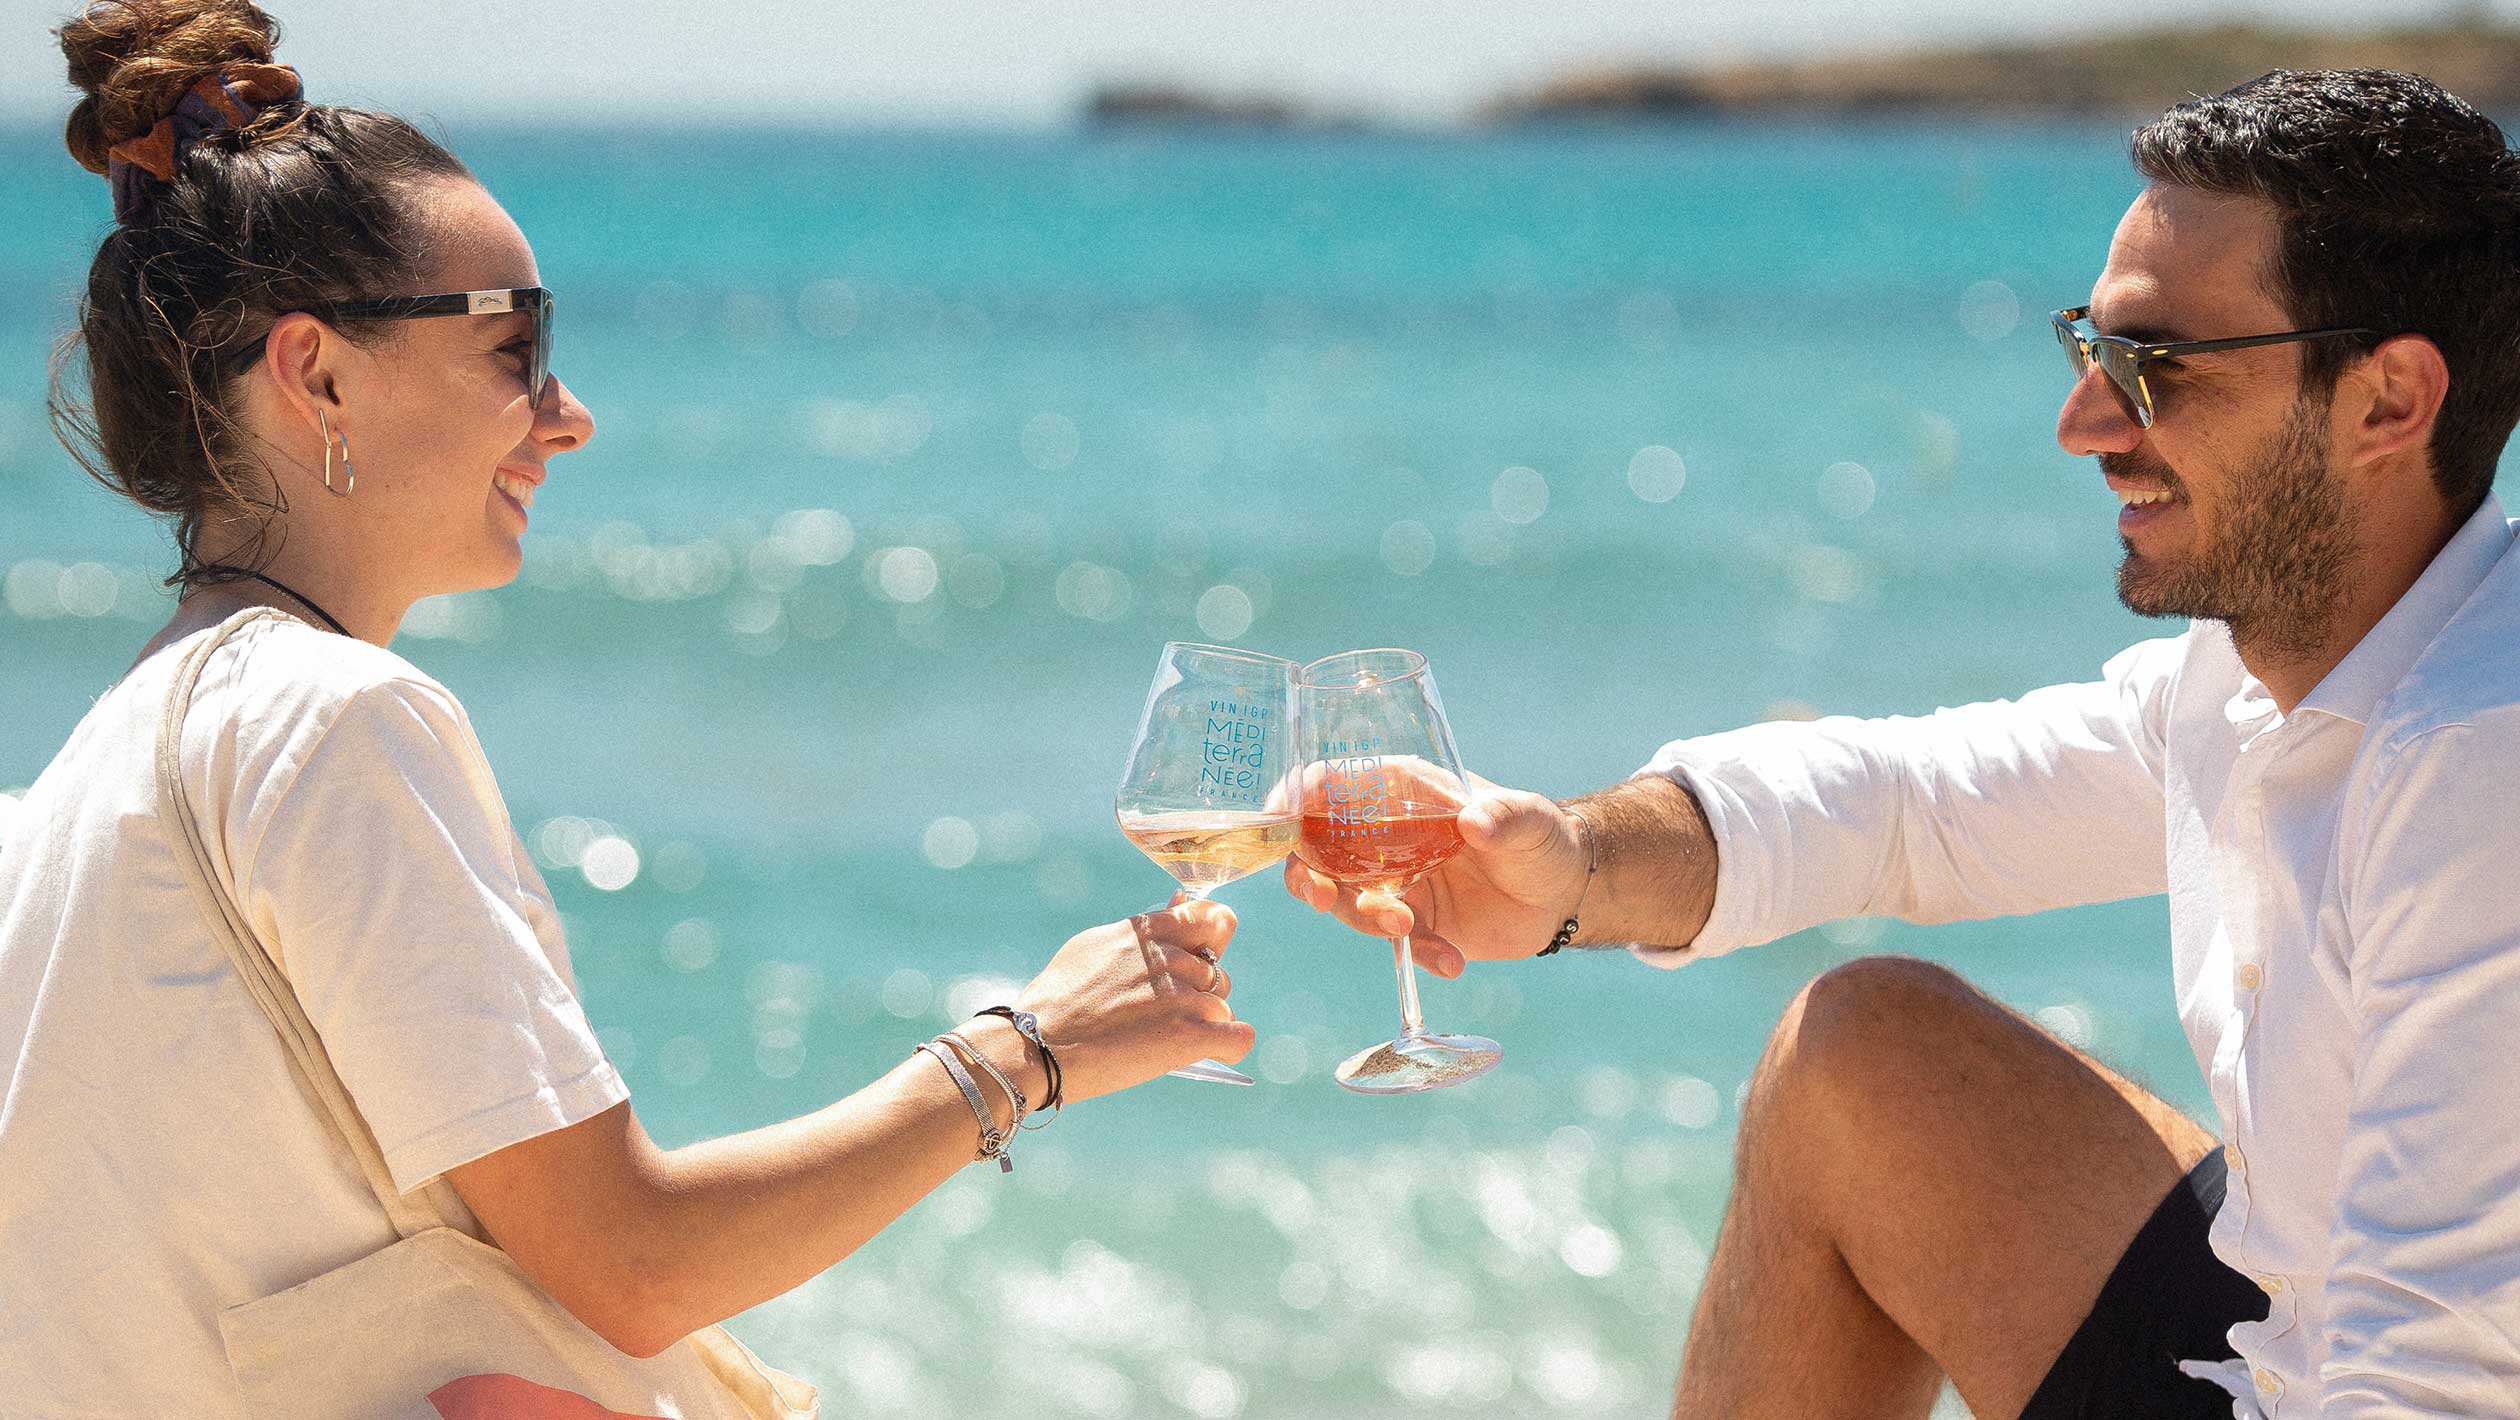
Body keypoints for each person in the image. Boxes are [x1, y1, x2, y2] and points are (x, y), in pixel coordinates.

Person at [0, 2, 1252, 1413]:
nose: (569, 409)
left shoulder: (81, 779)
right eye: (512, 344)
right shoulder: (333, 722)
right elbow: (633, 1263)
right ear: (318, 371)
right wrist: (1029, 1053)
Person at [1290, 68, 2520, 1419]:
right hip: (2296, 1354)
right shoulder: (2251, 681)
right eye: (2087, 352)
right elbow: (1906, 805)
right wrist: (1571, 864)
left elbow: (2433, 1385)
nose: (2086, 427)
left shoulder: (2480, 758)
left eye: (2155, 370)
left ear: (2390, 405)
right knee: (1864, 1059)